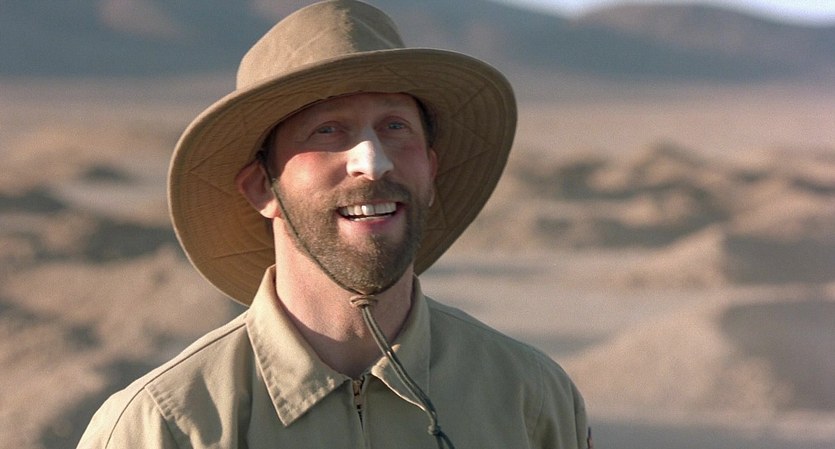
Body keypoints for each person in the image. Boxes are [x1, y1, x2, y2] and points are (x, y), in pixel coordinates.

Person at [77, 1, 590, 448]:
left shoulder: (529, 395)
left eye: (395, 127)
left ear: (431, 172)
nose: (374, 162)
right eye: (328, 130)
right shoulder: (168, 424)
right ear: (262, 188)